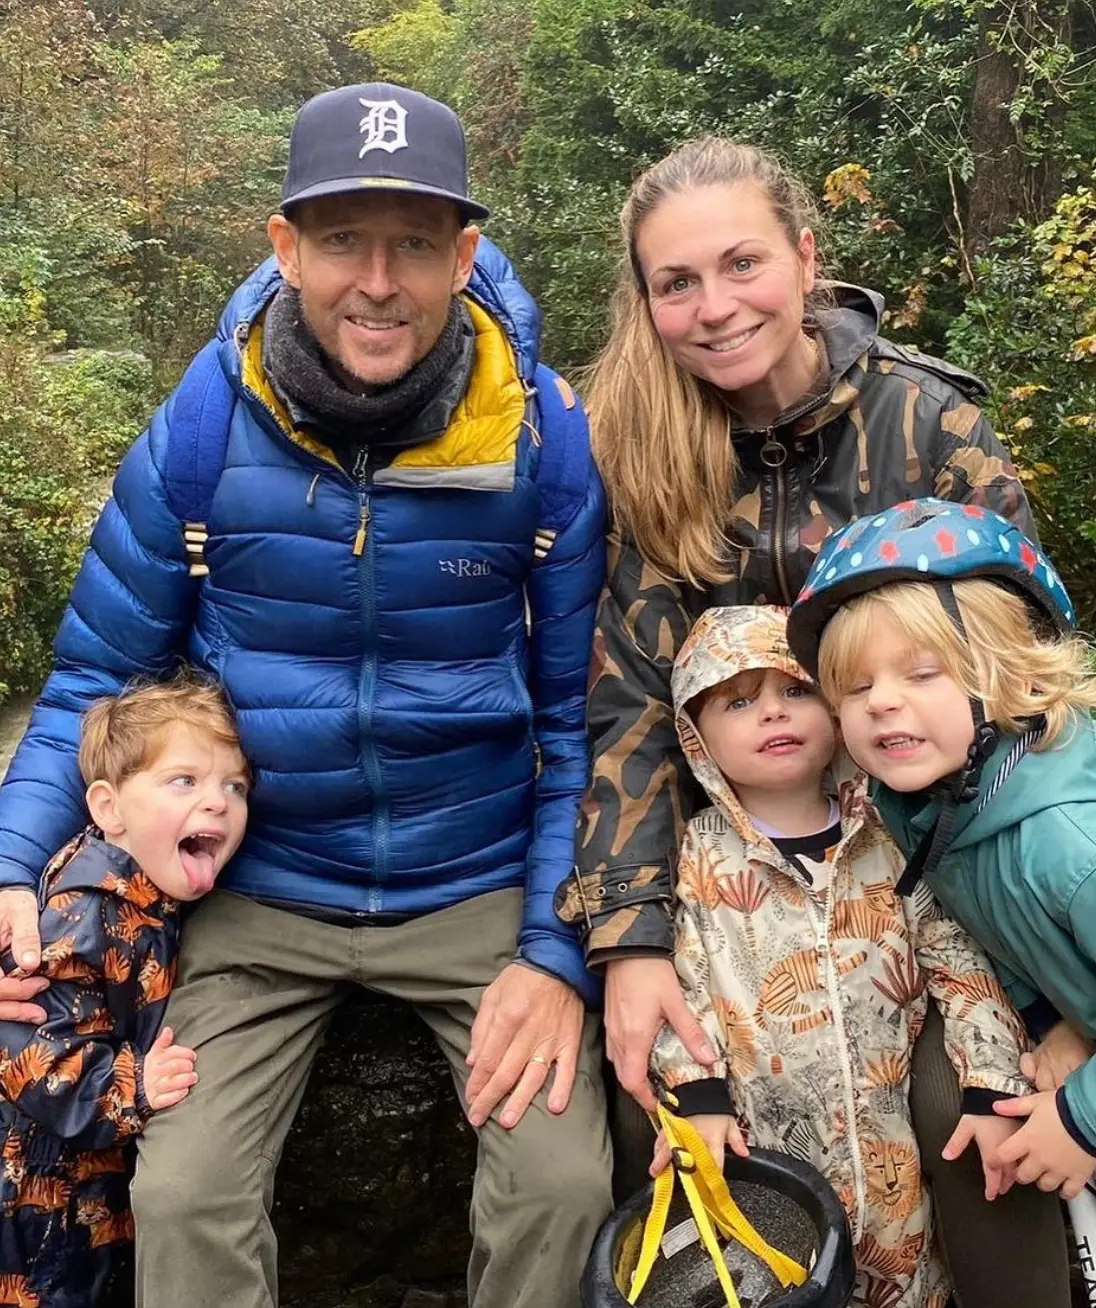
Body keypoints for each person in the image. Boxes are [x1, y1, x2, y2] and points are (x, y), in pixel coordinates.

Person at [0, 83, 611, 1308]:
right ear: (285, 248)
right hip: (258, 894)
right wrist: (11, 868)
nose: (376, 281)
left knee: (559, 1185)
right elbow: (94, 677)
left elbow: (578, 723)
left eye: (414, 244)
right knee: (179, 1194)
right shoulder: (201, 430)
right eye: (341, 241)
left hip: (471, 884)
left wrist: (553, 950)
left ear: (465, 255)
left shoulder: (540, 441)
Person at [553, 135, 1071, 1302]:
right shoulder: (643, 452)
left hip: (936, 858)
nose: (714, 305)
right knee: (665, 1109)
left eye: (741, 263)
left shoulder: (925, 429)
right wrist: (630, 940)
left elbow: (1020, 664)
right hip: (735, 881)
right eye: (676, 283)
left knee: (966, 1112)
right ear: (646, 302)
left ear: (804, 256)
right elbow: (627, 702)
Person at [645, 604, 1029, 1307]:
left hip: (895, 1172)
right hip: (760, 1165)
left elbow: (958, 962)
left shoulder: (887, 838)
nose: (773, 714)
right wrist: (693, 1099)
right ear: (695, 738)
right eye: (739, 700)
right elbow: (679, 988)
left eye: (795, 690)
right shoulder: (697, 856)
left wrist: (991, 1083)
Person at [788, 497, 1096, 1201]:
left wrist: (1080, 1122)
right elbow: (999, 928)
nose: (881, 703)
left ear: (1018, 677)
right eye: (856, 686)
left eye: (922, 674)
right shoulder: (929, 807)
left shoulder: (1069, 844)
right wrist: (1057, 1024)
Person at [0, 675, 249, 1308]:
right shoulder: (85, 912)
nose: (218, 801)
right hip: (37, 1206)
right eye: (183, 781)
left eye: (234, 785)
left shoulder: (149, 892)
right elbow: (25, 1050)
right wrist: (131, 1087)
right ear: (108, 809)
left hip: (84, 1193)